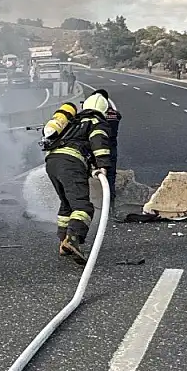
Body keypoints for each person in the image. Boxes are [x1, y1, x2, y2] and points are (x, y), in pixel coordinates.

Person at [42, 93, 113, 263]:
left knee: (67, 204)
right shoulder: (96, 121)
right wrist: (102, 165)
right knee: (83, 207)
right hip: (71, 163)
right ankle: (73, 239)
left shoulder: (72, 121)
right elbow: (98, 141)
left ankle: (63, 241)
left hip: (52, 162)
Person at [91, 88, 122, 202]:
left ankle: (96, 200)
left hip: (96, 147)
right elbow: (117, 116)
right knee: (110, 176)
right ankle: (110, 203)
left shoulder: (96, 115)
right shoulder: (115, 114)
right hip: (111, 148)